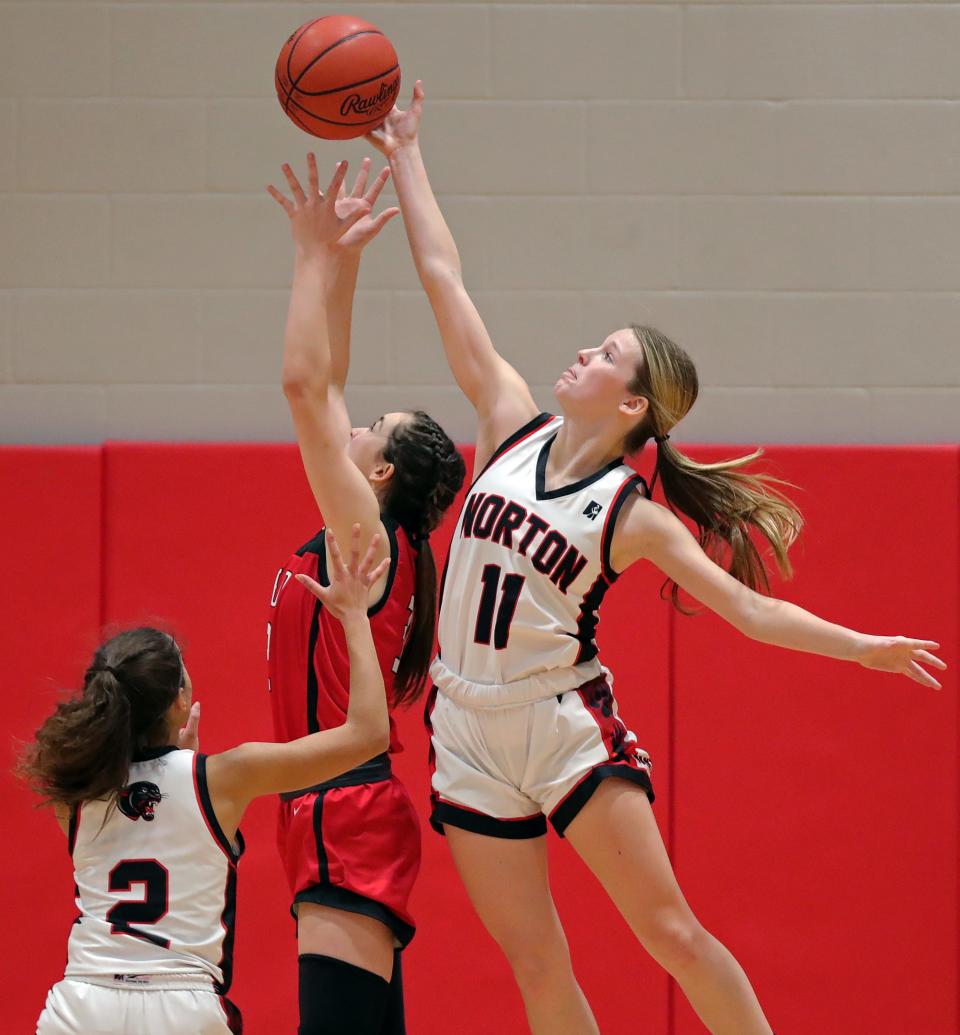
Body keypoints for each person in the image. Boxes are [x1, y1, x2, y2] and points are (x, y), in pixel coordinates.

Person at [366, 83, 947, 1035]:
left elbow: (750, 613)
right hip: (463, 727)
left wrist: (863, 648)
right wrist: (407, 154)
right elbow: (443, 277)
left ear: (631, 405)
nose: (582, 353)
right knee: (537, 965)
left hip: (561, 726)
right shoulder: (508, 421)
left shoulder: (631, 515)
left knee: (671, 934)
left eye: (605, 355)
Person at [22, 527, 391, 1035]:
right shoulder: (224, 777)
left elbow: (144, 816)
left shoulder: (76, 792)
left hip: (83, 1003)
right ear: (179, 700)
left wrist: (179, 768)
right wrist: (354, 616)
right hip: (181, 1007)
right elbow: (369, 734)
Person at [265, 155, 466, 1035]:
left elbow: (308, 388)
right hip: (343, 803)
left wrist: (310, 257)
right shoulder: (388, 544)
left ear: (379, 472)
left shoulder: (367, 537)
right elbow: (331, 384)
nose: (351, 423)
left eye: (370, 427)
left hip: (341, 807)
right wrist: (342, 259)